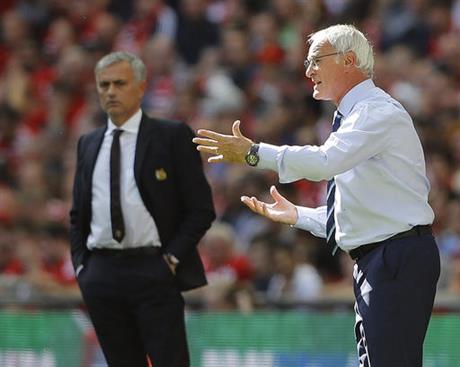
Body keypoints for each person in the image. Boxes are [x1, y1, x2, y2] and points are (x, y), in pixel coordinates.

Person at [193, 24, 440, 367]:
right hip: (380, 258)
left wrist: (254, 153)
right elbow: (360, 215)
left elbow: (325, 161)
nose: (308, 71)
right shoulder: (355, 117)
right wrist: (298, 215)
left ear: (349, 60)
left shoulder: (376, 112)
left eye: (315, 61)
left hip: (395, 257)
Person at [69, 51, 215, 367]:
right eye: (103, 84)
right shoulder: (88, 143)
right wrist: (83, 266)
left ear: (140, 87)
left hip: (154, 267)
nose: (110, 91)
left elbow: (201, 209)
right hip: (101, 272)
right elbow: (78, 214)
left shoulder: (171, 136)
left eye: (119, 83)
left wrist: (171, 259)